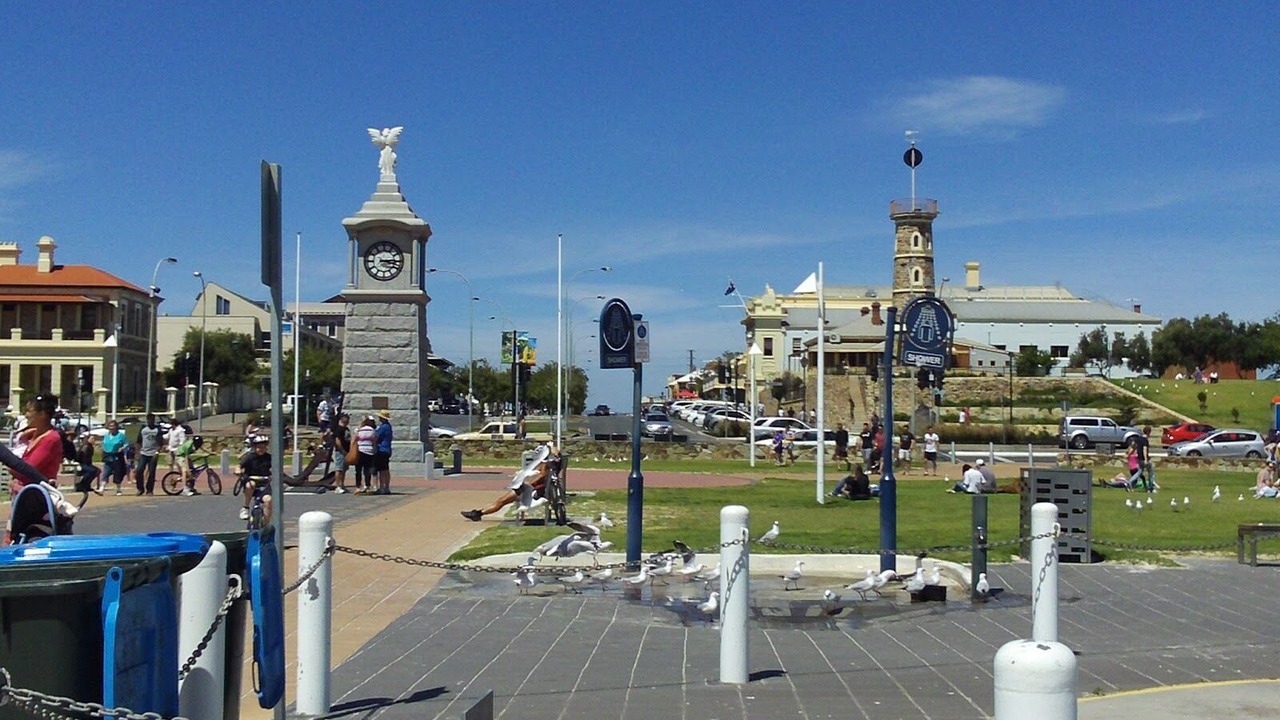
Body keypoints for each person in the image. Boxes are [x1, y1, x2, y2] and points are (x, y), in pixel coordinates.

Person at [461, 444, 560, 521]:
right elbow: (557, 454)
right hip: (536, 490)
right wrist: (551, 446)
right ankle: (478, 513)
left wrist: (529, 483)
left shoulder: (545, 464)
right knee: (502, 500)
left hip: (530, 491)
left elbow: (541, 476)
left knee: (501, 501)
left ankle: (478, 514)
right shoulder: (553, 463)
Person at [6, 394, 59, 496]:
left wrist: (10, 467)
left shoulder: (50, 439)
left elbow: (27, 470)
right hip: (23, 494)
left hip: (34, 497)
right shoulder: (32, 436)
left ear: (42, 414)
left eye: (29, 411)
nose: (26, 415)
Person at [238, 435, 273, 524]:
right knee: (251, 485)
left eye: (264, 447)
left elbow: (275, 468)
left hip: (264, 483)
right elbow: (239, 466)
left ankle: (266, 523)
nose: (261, 449)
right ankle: (245, 507)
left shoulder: (269, 458)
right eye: (259, 447)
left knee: (268, 501)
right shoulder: (249, 457)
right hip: (251, 480)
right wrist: (238, 471)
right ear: (254, 447)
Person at [134, 413, 163, 495]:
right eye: (149, 420)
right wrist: (137, 453)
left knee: (151, 472)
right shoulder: (143, 429)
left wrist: (157, 452)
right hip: (143, 453)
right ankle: (140, 488)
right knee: (139, 470)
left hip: (153, 453)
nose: (150, 421)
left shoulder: (157, 429)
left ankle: (149, 490)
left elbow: (161, 442)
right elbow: (138, 441)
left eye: (152, 420)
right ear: (147, 420)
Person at [101, 419, 129, 495]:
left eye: (113, 426)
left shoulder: (120, 436)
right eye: (110, 426)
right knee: (106, 472)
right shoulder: (106, 436)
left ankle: (118, 489)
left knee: (118, 473)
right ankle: (102, 488)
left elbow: (126, 443)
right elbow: (103, 444)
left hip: (117, 456)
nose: (111, 428)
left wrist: (122, 448)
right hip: (108, 455)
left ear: (116, 427)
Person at [329, 413, 352, 494]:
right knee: (339, 468)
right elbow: (337, 441)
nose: (348, 420)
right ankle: (338, 486)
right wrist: (342, 450)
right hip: (340, 452)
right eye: (346, 418)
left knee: (344, 469)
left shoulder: (346, 429)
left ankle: (342, 485)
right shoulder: (338, 429)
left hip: (347, 452)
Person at [354, 416, 377, 493]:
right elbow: (374, 440)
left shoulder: (359, 430)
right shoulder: (372, 430)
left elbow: (355, 439)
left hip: (360, 451)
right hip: (369, 451)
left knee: (358, 470)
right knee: (367, 469)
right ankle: (367, 486)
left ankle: (358, 486)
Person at [374, 409, 394, 495]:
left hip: (381, 449)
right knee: (386, 469)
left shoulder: (383, 427)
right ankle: (387, 487)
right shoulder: (389, 426)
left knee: (381, 470)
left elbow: (376, 436)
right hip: (387, 449)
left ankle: (382, 487)